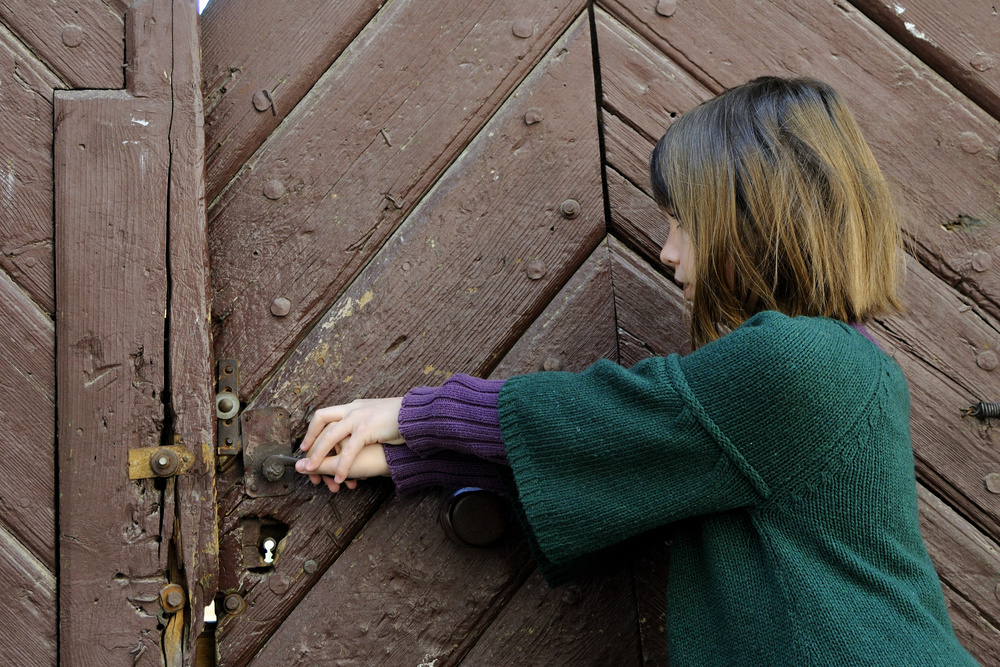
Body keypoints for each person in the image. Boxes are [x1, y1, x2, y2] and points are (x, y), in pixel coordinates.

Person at [293, 76, 978, 666]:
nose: (666, 251)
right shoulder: (838, 363)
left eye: (683, 222)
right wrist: (409, 459)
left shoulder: (801, 360)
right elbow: (633, 469)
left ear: (756, 219)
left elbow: (620, 414)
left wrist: (416, 414)